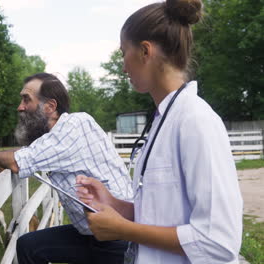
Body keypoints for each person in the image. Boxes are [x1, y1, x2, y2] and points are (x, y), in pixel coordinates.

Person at [75, 0, 243, 263]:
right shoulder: (166, 119)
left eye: (123, 53)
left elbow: (218, 242)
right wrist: (114, 204)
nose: (122, 66)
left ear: (145, 51)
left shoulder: (196, 121)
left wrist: (123, 230)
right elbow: (166, 214)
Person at [0, 72, 132, 264]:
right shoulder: (54, 139)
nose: (20, 107)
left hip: (119, 236)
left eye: (27, 100)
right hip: (91, 233)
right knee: (29, 246)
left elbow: (18, 161)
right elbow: (28, 153)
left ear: (50, 106)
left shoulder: (74, 126)